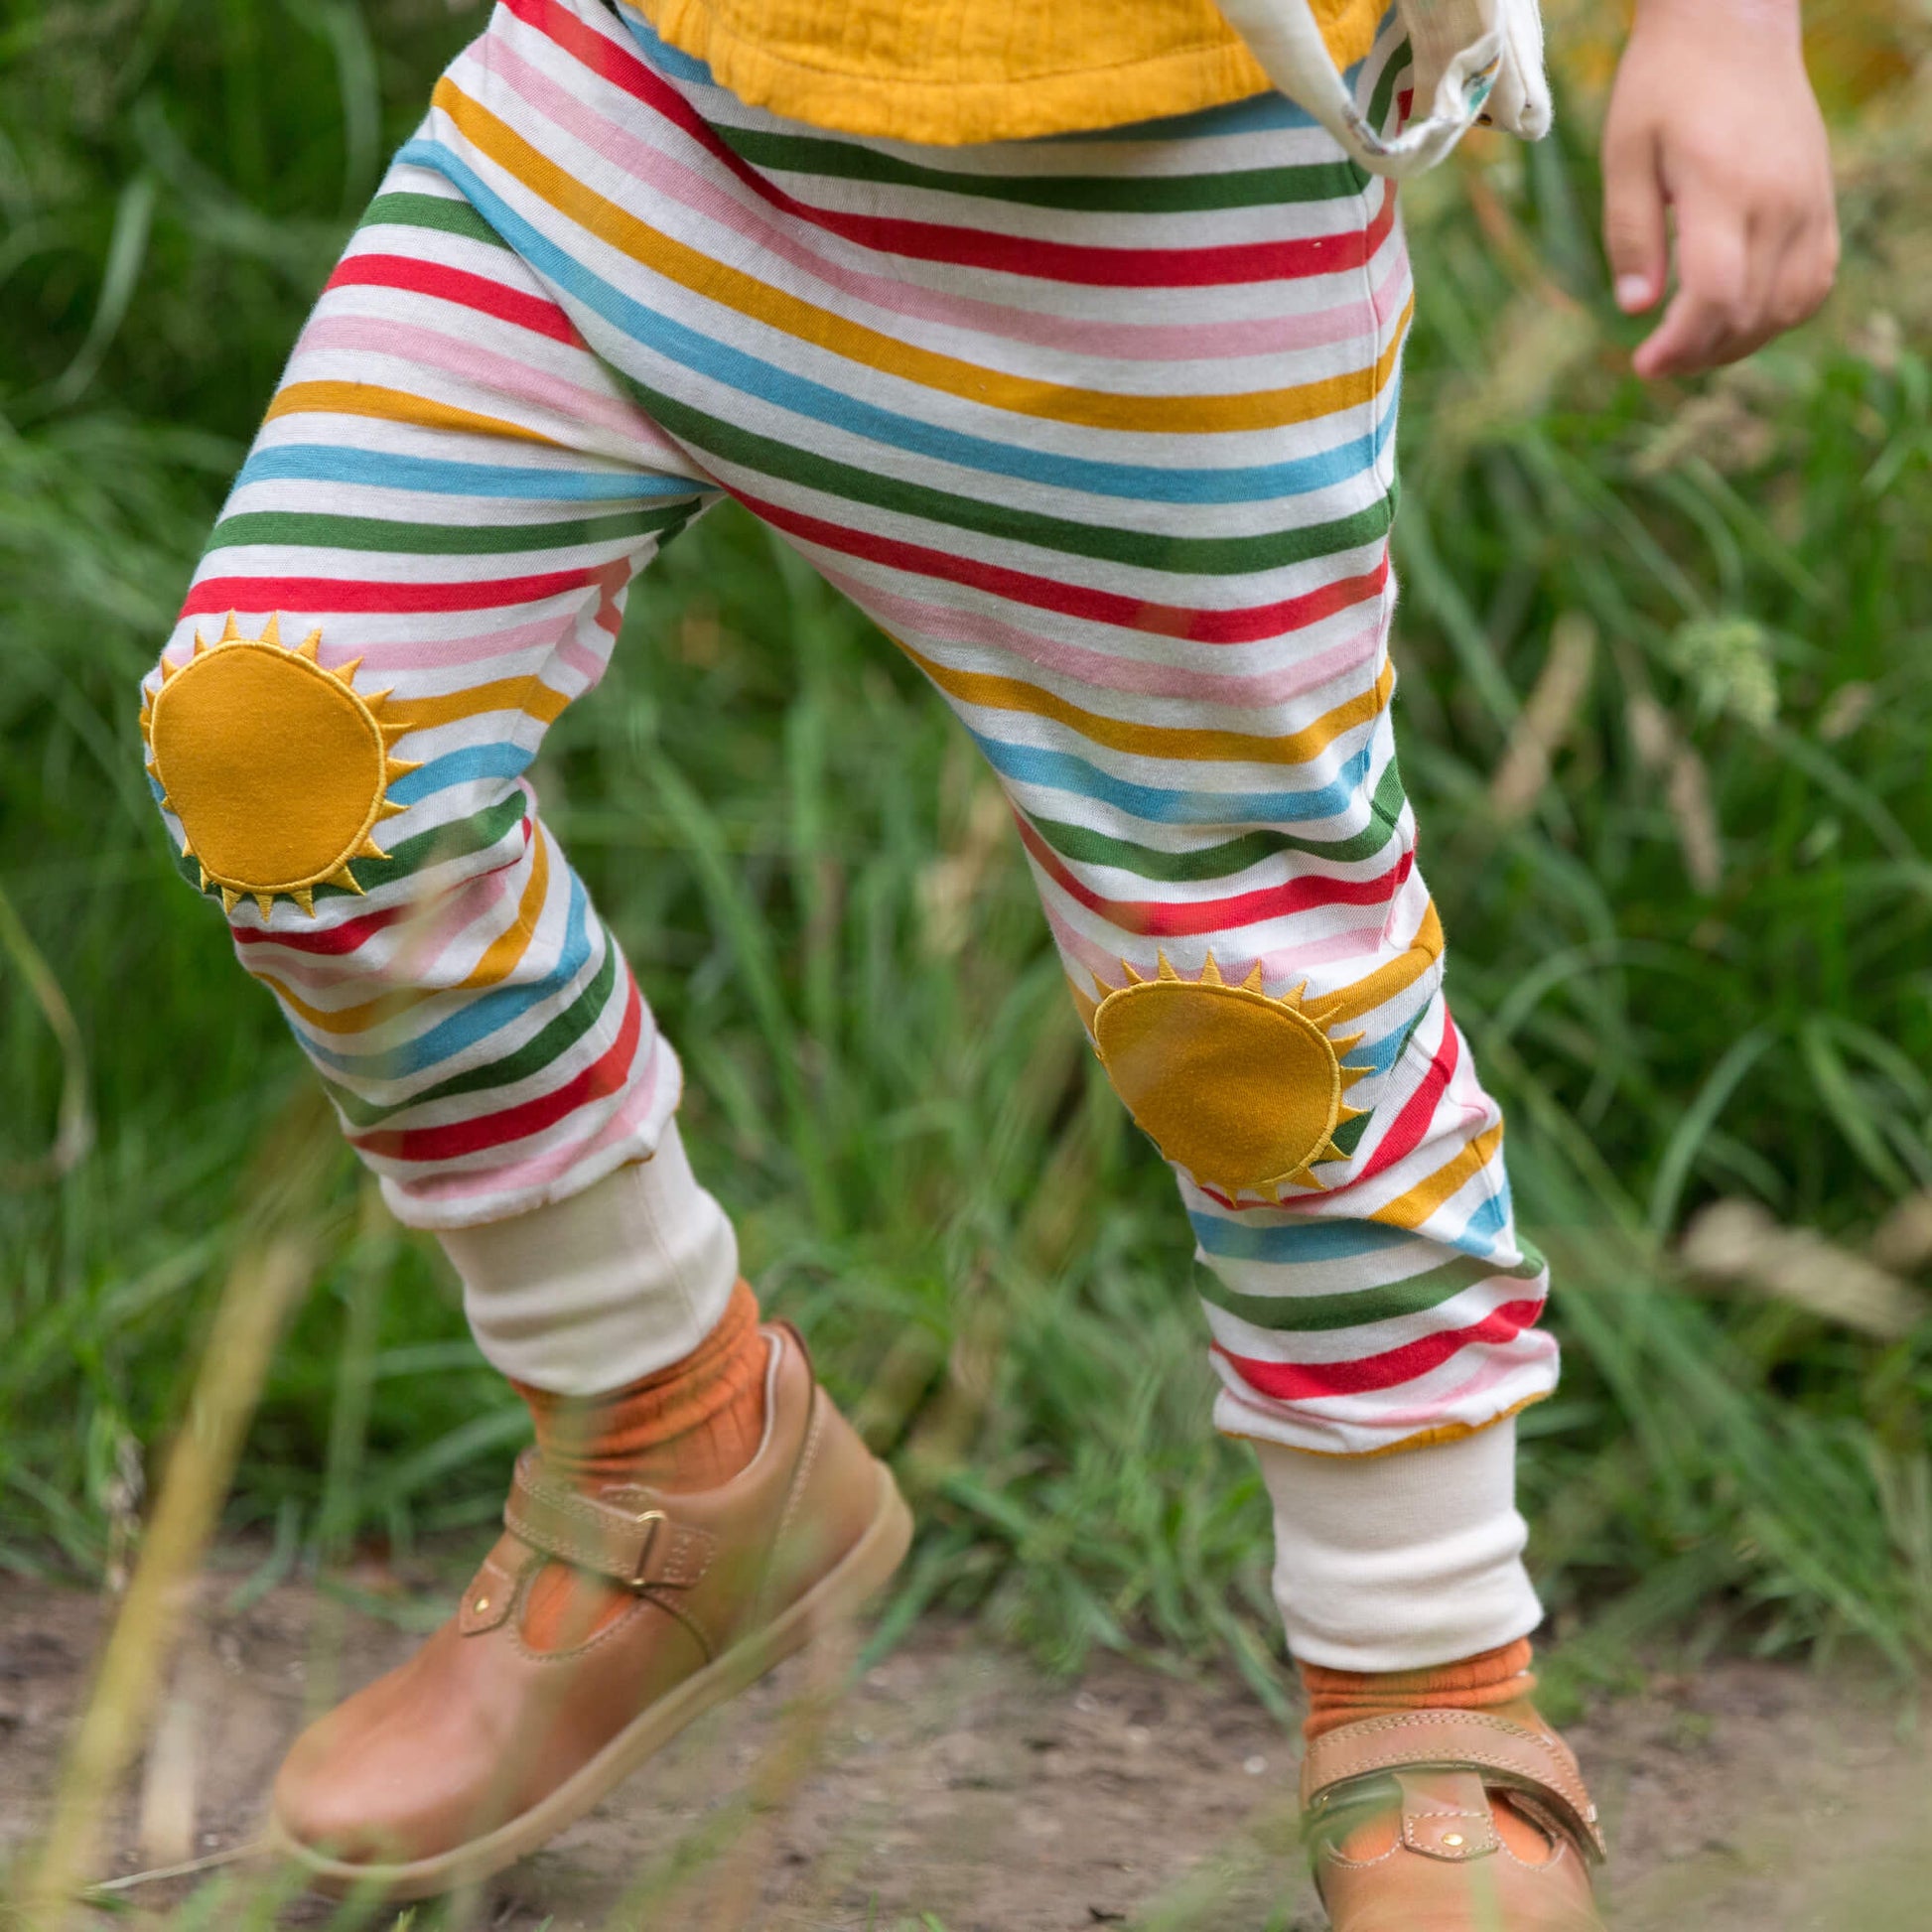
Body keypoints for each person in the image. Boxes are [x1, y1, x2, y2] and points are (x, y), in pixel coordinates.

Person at [136, 0, 1836, 1921]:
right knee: (292, 738)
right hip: (640, 107)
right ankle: (665, 1433)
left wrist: (1720, 32)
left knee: (1253, 1018)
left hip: (1157, 215)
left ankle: (1426, 1679)